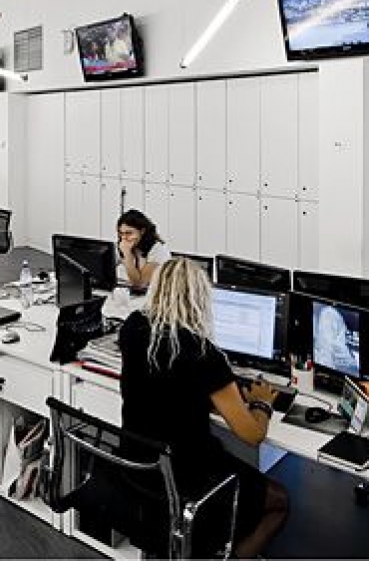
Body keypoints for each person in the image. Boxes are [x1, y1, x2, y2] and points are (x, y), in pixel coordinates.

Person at [118, 258, 289, 559]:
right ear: (200, 299)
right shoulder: (204, 355)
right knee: (279, 501)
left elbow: (167, 382)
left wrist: (209, 393)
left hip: (140, 468)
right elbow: (252, 434)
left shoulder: (132, 328)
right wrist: (262, 402)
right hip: (189, 476)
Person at [116, 209, 171, 290]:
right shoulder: (129, 246)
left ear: (142, 231)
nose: (124, 238)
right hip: (127, 290)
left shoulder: (158, 249)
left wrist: (127, 255)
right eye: (121, 233)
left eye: (129, 233)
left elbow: (140, 284)